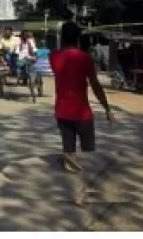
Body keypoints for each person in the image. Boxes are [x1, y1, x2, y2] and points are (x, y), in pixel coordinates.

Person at [49, 21, 115, 172]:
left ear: (62, 37)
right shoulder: (85, 58)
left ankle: (72, 174)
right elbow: (96, 86)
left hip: (62, 112)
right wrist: (107, 108)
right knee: (89, 155)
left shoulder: (53, 57)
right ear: (78, 37)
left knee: (69, 155)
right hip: (82, 113)